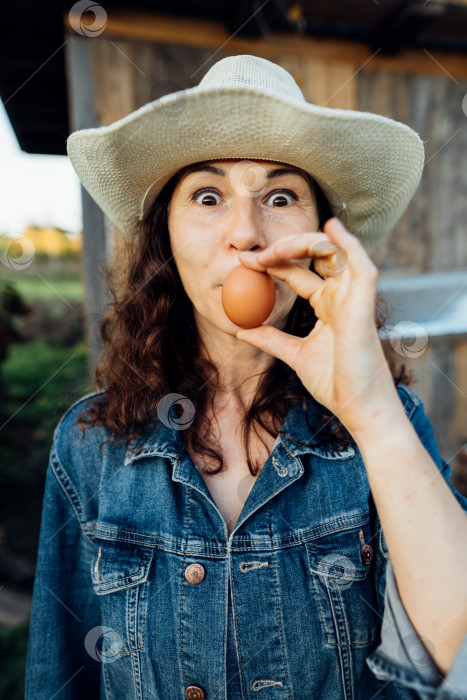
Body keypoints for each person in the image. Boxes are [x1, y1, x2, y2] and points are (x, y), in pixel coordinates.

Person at [24, 54, 467, 700]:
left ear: (320, 237)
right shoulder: (89, 446)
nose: (246, 233)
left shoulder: (387, 426)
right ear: (166, 240)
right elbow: (57, 677)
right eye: (208, 197)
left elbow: (457, 650)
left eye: (279, 197)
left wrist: (369, 409)